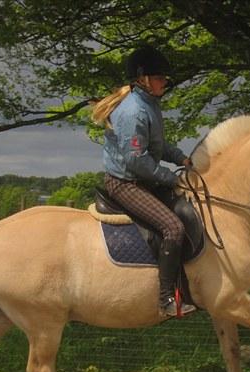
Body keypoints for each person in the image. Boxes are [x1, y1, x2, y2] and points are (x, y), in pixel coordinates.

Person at [91, 45, 196, 318]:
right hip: (126, 184)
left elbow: (158, 145)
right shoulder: (134, 112)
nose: (165, 82)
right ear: (142, 79)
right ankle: (165, 301)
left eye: (164, 77)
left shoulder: (149, 105)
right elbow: (137, 161)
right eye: (159, 77)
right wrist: (172, 178)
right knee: (173, 227)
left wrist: (182, 158)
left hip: (143, 179)